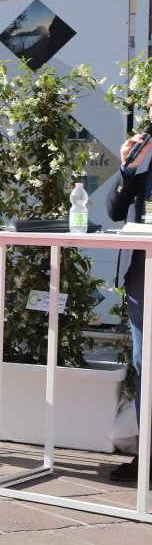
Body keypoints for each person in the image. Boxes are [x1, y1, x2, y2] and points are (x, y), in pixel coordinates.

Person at [106, 97, 152, 482]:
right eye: (150, 106)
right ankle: (147, 457)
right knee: (144, 364)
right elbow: (114, 211)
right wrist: (127, 168)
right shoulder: (143, 149)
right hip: (141, 272)